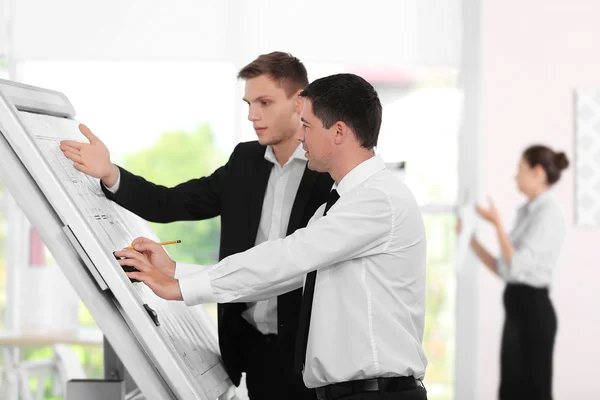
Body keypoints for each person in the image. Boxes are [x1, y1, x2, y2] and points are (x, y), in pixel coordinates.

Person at [116, 73, 429, 400]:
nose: (300, 137)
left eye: (307, 126)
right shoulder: (335, 207)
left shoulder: (377, 200)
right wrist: (177, 272)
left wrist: (180, 288)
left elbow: (288, 257)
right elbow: (282, 277)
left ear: (338, 132)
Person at [60, 51, 334, 400]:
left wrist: (177, 276)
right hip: (253, 351)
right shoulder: (244, 162)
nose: (252, 115)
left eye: (264, 102)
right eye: (248, 103)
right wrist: (110, 173)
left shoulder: (326, 172)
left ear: (300, 102)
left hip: (309, 352)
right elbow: (170, 202)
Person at [458, 145, 569, 400]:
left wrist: (497, 224)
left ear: (538, 172)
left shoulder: (548, 215)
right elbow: (504, 269)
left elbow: (516, 263)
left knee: (532, 390)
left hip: (534, 313)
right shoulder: (527, 212)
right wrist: (469, 239)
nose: (515, 176)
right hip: (517, 311)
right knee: (510, 390)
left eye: (520, 169)